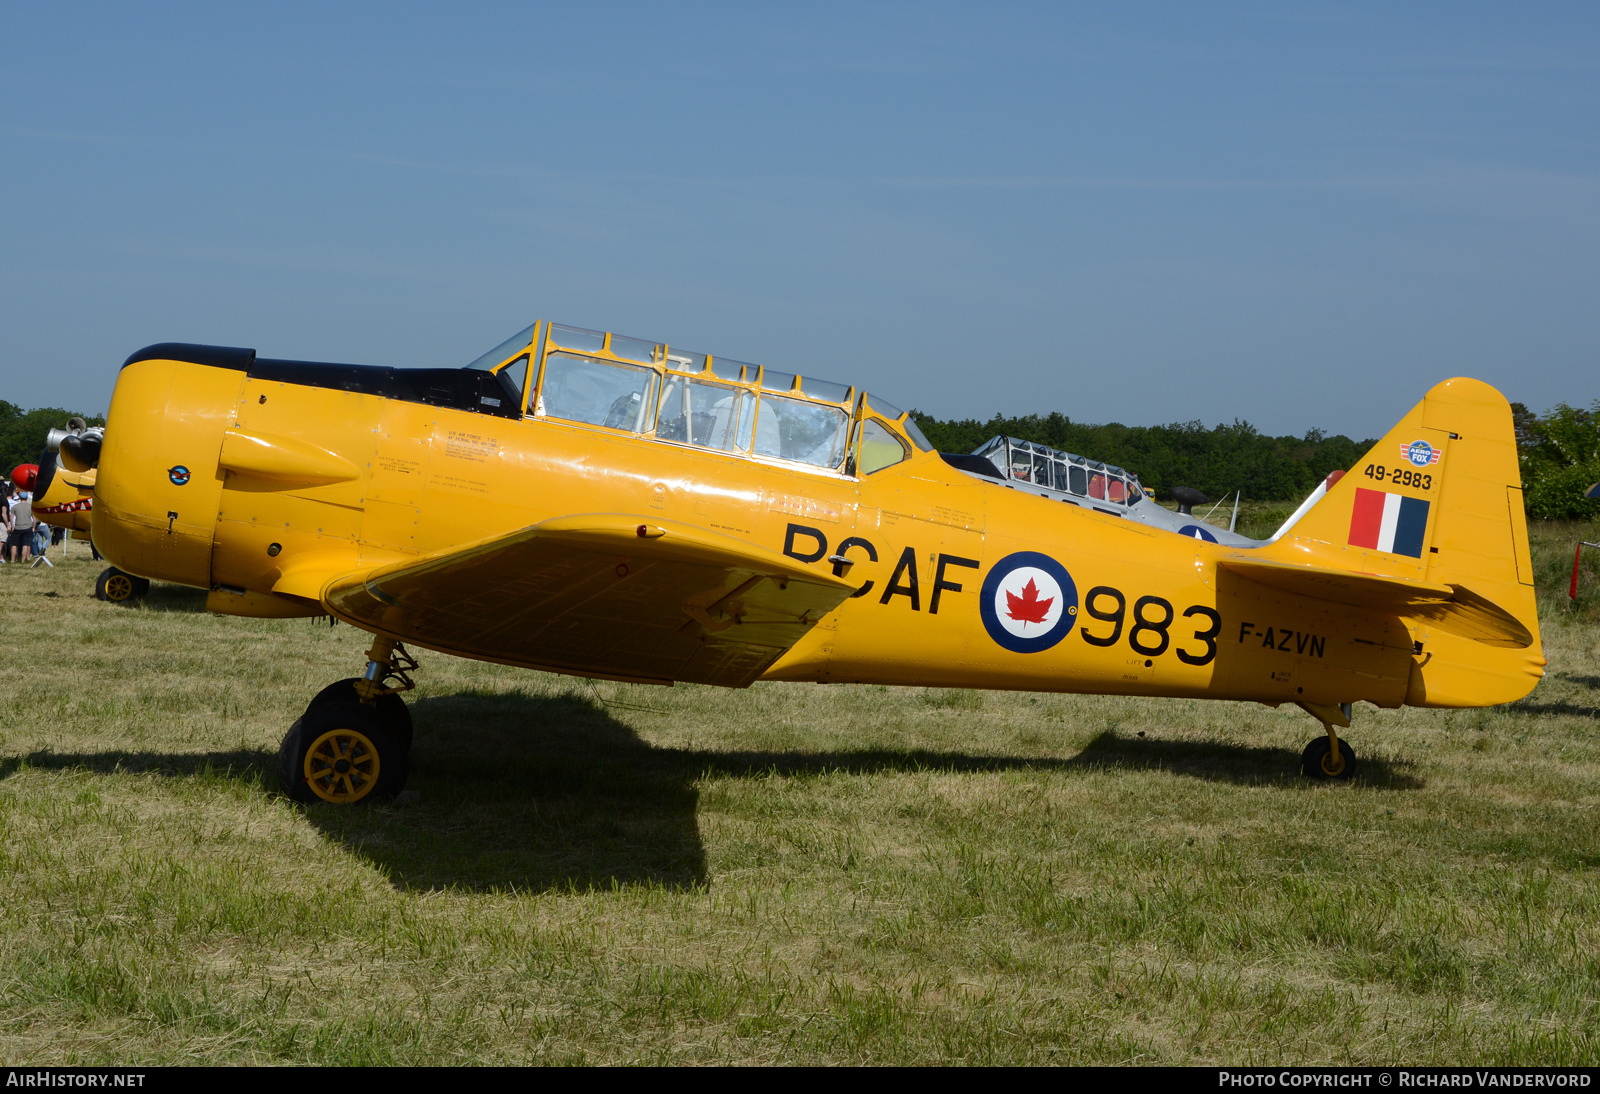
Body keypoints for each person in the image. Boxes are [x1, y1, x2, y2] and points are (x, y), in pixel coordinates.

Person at [6, 485, 33, 563]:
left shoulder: (15, 506)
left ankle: (12, 560)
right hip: (27, 526)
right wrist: (33, 526)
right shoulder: (30, 506)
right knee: (25, 544)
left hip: (18, 527)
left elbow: (11, 517)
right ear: (27, 498)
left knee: (14, 544)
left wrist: (12, 526)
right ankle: (23, 560)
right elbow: (34, 518)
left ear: (20, 497)